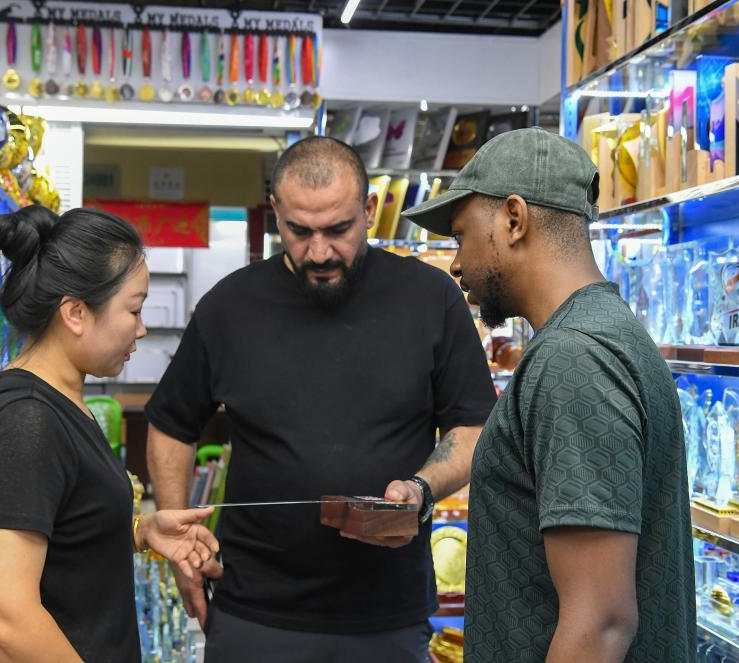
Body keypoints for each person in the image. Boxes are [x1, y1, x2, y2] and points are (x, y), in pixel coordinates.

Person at [145, 136, 496, 661]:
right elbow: (172, 423)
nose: (319, 251)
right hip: (253, 611)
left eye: (338, 229)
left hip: (386, 614)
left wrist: (421, 488)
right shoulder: (230, 307)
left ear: (370, 212)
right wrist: (181, 543)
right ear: (276, 215)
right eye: (299, 231)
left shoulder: (431, 299)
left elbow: (472, 428)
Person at [403, 127, 696, 662]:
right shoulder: (604, 335)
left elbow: (600, 624)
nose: (455, 262)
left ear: (514, 219)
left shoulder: (573, 360)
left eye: (461, 233)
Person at [0, 206, 218, 662]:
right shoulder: (26, 422)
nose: (141, 328)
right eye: (132, 309)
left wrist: (138, 529)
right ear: (75, 312)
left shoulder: (61, 405)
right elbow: (4, 616)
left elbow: (61, 528)